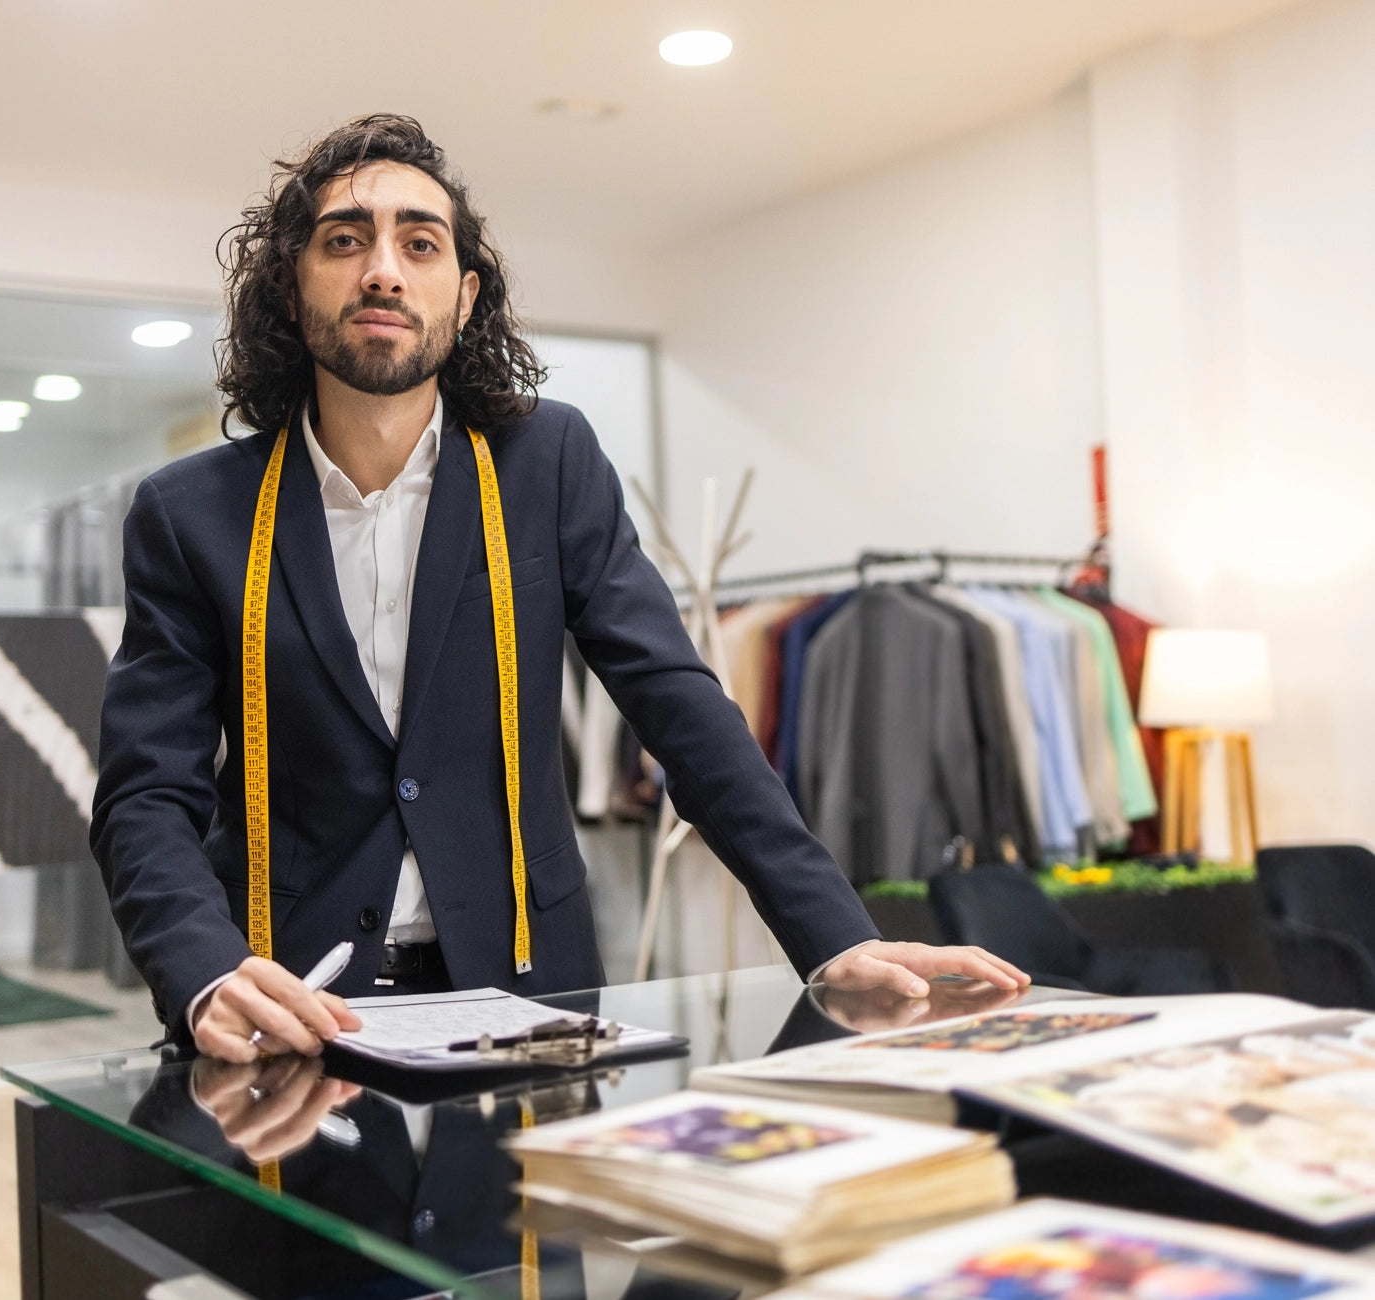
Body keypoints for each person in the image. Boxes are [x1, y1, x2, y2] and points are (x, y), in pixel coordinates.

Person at [91, 114, 1028, 1063]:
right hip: (287, 1002)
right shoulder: (191, 513)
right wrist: (203, 969)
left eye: (420, 244)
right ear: (292, 288)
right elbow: (146, 791)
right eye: (344, 240)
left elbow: (676, 703)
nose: (383, 271)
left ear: (464, 297)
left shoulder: (547, 462)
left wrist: (834, 934)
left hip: (530, 989)